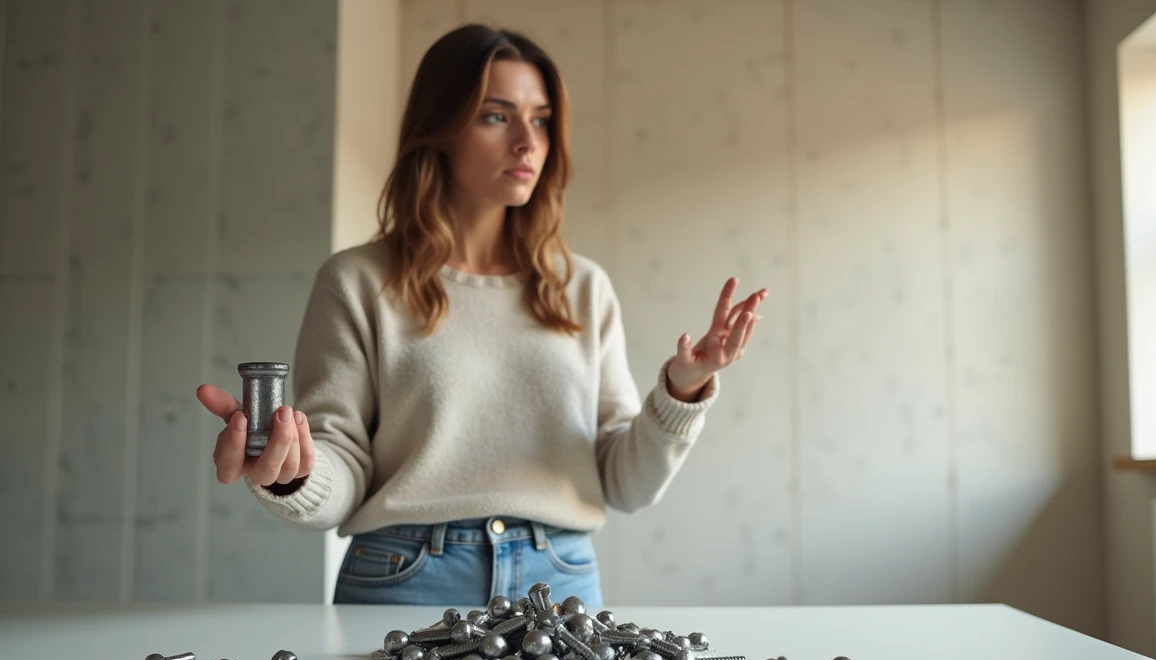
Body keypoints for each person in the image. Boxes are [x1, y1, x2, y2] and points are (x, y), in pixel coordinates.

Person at [195, 24, 766, 608]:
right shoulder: (356, 281)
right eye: (497, 116)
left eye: (541, 119)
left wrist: (683, 390)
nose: (528, 142)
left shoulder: (583, 288)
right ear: (439, 130)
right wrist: (291, 473)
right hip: (404, 578)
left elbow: (625, 484)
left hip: (562, 581)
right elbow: (340, 464)